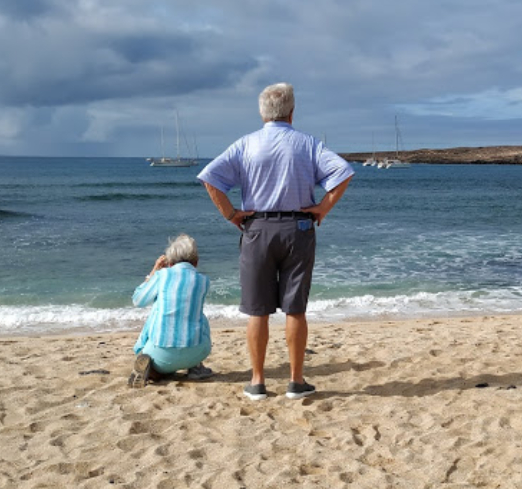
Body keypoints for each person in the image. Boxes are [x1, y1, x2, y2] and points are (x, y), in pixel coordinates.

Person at [197, 82, 354, 401]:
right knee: (295, 310)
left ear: (261, 112)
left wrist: (231, 215)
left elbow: (210, 178)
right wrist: (323, 207)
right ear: (292, 112)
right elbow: (343, 172)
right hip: (298, 228)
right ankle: (296, 381)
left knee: (258, 311)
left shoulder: (246, 144)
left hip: (258, 230)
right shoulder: (308, 144)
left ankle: (257, 382)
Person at [128, 234, 213, 388]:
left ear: (170, 262)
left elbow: (138, 300)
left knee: (159, 311)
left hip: (161, 352)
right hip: (197, 351)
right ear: (196, 261)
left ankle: (155, 371)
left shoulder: (162, 275)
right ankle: (195, 367)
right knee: (197, 316)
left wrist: (154, 270)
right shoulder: (203, 281)